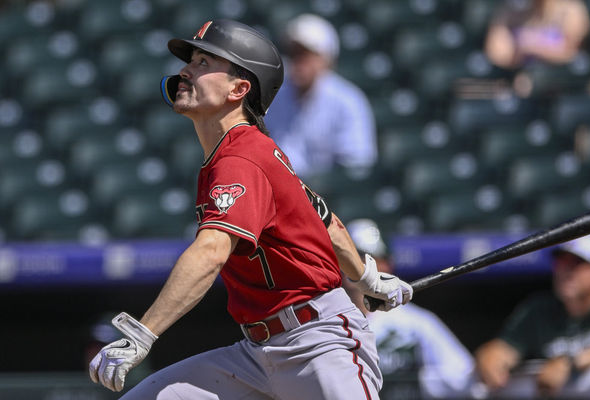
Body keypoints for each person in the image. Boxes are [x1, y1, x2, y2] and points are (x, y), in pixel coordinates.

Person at [88, 19, 413, 399]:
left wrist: (144, 332)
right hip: (256, 355)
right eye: (190, 60)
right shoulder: (248, 151)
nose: (185, 70)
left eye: (204, 63)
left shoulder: (242, 157)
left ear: (239, 89)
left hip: (320, 346)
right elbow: (329, 224)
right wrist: (366, 278)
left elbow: (210, 251)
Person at [339, 219, 477, 399]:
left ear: (387, 265)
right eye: (349, 258)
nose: (356, 266)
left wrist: (413, 379)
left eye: (368, 259)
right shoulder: (324, 319)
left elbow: (464, 379)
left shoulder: (417, 323)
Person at [475, 233, 590, 399]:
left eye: (576, 263)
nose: (565, 271)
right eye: (561, 262)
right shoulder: (539, 308)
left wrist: (570, 362)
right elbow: (503, 349)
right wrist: (490, 357)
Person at [265, 13, 377, 183]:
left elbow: (357, 164)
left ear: (326, 59)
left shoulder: (348, 101)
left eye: (305, 54)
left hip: (330, 199)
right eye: (293, 53)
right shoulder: (273, 96)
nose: (298, 61)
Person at [484, 0, 590, 70]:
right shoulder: (511, 10)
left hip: (561, 80)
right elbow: (498, 53)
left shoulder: (571, 8)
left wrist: (532, 45)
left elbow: (571, 53)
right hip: (520, 78)